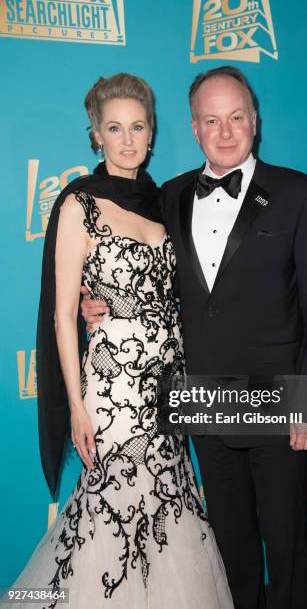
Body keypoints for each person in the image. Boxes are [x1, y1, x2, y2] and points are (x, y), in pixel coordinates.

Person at [82, 67, 307, 609]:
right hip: (203, 394)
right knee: (229, 545)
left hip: (280, 399)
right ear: (195, 129)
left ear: (255, 121)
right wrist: (98, 302)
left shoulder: (299, 193)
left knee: (287, 547)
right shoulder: (169, 196)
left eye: (237, 117)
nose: (225, 131)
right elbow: (140, 270)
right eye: (212, 120)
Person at [6, 73, 233, 609]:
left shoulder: (167, 202)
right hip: (112, 390)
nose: (128, 140)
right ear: (96, 135)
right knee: (111, 510)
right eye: (115, 128)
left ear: (151, 132)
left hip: (168, 384)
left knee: (168, 504)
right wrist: (79, 409)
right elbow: (64, 316)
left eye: (137, 127)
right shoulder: (78, 206)